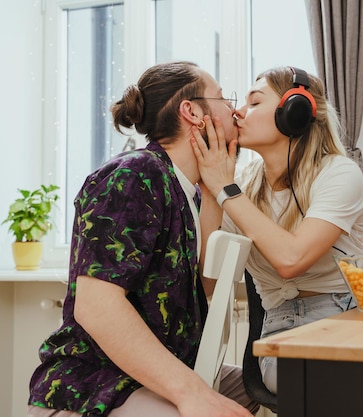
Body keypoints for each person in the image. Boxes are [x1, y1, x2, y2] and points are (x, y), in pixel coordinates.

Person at [27, 61, 258, 417]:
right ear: (192, 111)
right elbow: (97, 307)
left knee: (263, 389)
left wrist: (214, 191)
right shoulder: (135, 175)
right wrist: (192, 394)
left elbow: (204, 284)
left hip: (157, 374)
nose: (233, 109)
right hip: (95, 384)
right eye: (224, 98)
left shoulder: (188, 192)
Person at [190, 66, 363, 393]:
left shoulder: (340, 173)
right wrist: (213, 189)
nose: (239, 112)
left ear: (294, 112)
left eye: (255, 102)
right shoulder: (240, 186)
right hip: (278, 330)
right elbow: (207, 281)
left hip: (345, 317)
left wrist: (225, 190)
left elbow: (291, 259)